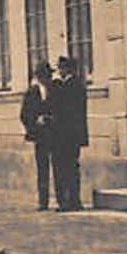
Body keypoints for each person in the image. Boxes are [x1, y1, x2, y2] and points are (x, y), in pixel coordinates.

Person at [51, 56, 88, 211]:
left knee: (66, 167)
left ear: (68, 69)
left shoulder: (70, 86)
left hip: (66, 135)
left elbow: (65, 112)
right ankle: (73, 200)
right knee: (71, 166)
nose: (60, 71)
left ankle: (69, 201)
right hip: (72, 135)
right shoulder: (76, 85)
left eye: (61, 68)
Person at [19, 61, 56, 210]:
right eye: (43, 76)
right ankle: (43, 201)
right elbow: (24, 115)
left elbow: (62, 109)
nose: (46, 79)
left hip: (56, 134)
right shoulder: (31, 93)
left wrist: (52, 118)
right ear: (38, 77)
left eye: (48, 76)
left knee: (59, 167)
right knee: (42, 169)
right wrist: (35, 121)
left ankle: (61, 199)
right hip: (40, 137)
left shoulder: (56, 89)